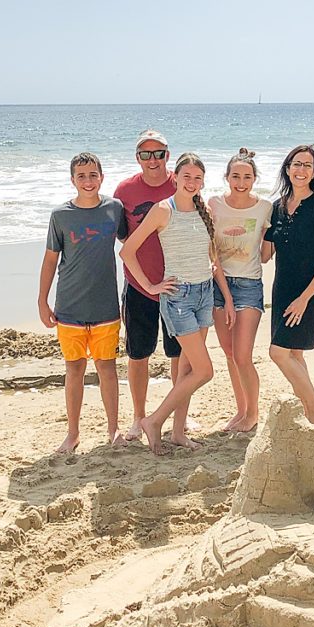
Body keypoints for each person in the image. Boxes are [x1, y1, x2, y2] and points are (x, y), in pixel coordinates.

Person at [118, 153, 234, 455]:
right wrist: (151, 286)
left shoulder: (204, 209)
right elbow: (127, 252)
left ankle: (178, 432)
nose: (192, 182)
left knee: (186, 371)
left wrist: (227, 298)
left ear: (202, 181)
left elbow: (213, 258)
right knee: (204, 370)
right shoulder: (161, 210)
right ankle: (154, 420)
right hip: (179, 299)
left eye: (198, 178)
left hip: (204, 295)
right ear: (176, 178)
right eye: (187, 177)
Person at [39, 152, 126, 453]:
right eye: (81, 176)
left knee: (107, 370)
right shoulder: (60, 216)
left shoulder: (115, 209)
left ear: (102, 177)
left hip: (105, 308)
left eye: (93, 175)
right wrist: (42, 301)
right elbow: (50, 260)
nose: (87, 181)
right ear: (72, 179)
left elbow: (134, 244)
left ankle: (113, 429)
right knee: (74, 370)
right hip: (69, 308)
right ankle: (72, 433)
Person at [113, 129, 196, 444]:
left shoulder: (181, 183)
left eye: (158, 153)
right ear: (137, 158)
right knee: (138, 355)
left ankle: (179, 415)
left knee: (180, 355)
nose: (152, 159)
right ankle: (139, 417)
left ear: (167, 155)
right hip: (140, 286)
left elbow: (200, 221)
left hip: (179, 286)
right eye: (146, 154)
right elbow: (123, 238)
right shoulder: (125, 190)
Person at [262, 145, 314, 425]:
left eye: (308, 165)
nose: (301, 170)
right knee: (294, 353)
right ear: (287, 168)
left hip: (310, 291)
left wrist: (305, 298)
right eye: (297, 164)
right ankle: (310, 412)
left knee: (277, 352)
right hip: (282, 288)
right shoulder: (277, 207)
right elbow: (264, 256)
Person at [207, 148, 272, 432]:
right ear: (227, 177)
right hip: (219, 284)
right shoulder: (214, 204)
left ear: (255, 178)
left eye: (247, 176)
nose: (241, 182)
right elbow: (212, 252)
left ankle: (252, 414)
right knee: (230, 353)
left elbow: (266, 254)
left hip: (248, 285)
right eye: (235, 176)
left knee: (243, 355)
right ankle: (240, 409)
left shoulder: (265, 207)